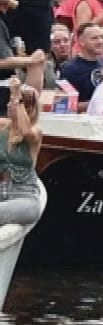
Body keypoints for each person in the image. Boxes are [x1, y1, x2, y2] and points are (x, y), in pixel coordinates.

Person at [0, 81, 41, 226]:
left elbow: (26, 131)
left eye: (14, 102)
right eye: (11, 101)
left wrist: (17, 95)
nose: (9, 105)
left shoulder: (35, 132)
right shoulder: (3, 126)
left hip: (24, 196)